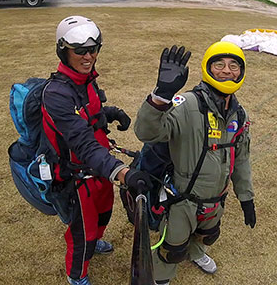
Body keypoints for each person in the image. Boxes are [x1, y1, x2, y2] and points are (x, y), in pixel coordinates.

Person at [42, 15, 152, 285]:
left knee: (103, 215)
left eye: (94, 49)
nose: (88, 56)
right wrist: (123, 173)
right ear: (63, 51)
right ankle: (76, 276)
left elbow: (87, 113)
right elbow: (81, 141)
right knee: (82, 233)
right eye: (79, 50)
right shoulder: (55, 94)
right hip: (77, 178)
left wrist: (111, 113)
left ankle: (96, 241)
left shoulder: (85, 80)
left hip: (101, 169)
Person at [134, 42, 256, 285]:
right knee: (172, 248)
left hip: (217, 199)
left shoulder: (239, 114)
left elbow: (241, 159)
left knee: (207, 234)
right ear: (207, 68)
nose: (226, 71)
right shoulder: (187, 104)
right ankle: (161, 279)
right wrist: (161, 97)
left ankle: (197, 253)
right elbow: (147, 132)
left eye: (234, 66)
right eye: (219, 64)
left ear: (241, 72)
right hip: (183, 200)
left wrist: (246, 197)